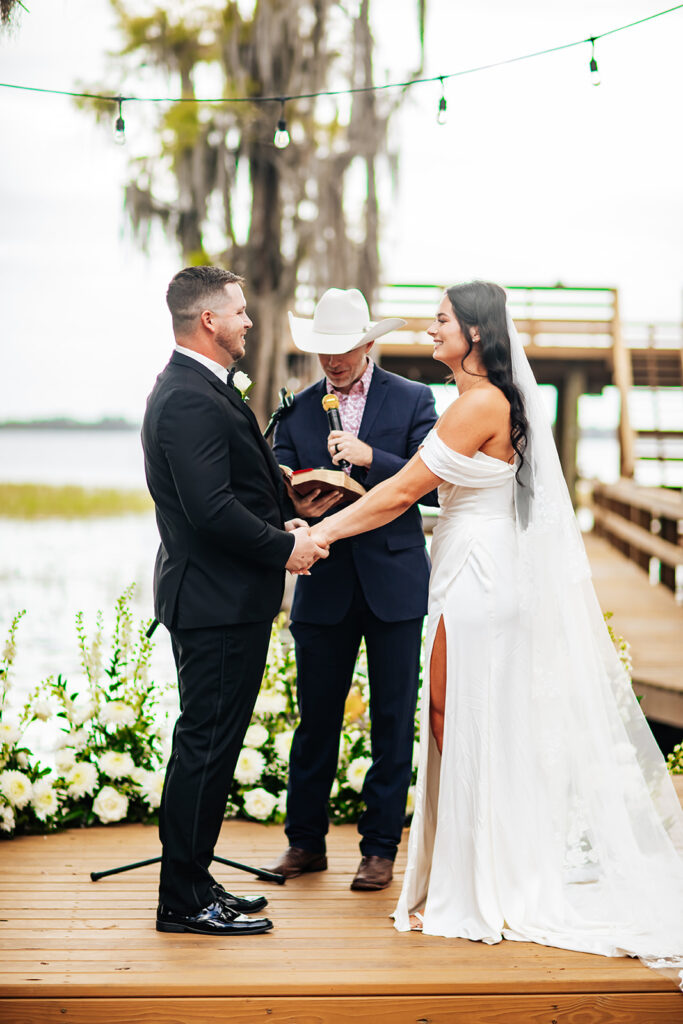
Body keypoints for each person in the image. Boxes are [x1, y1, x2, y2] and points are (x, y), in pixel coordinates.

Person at [308, 281, 683, 983]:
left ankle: (476, 887)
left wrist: (321, 533)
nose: (429, 328)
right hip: (472, 565)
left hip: (477, 578)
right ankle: (476, 873)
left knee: (459, 719)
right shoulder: (476, 401)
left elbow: (398, 492)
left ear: (475, 332)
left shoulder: (478, 403)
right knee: (462, 720)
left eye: (442, 320)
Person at [141, 266, 327, 936]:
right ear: (208, 321)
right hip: (215, 604)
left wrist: (284, 515)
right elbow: (210, 510)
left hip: (227, 599)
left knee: (212, 746)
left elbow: (228, 488)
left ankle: (193, 878)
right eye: (240, 312)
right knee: (205, 746)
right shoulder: (188, 396)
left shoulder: (202, 387)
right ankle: (182, 900)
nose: (250, 321)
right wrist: (286, 551)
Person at [262, 288, 438, 891]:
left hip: (395, 582)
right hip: (323, 582)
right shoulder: (298, 408)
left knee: (393, 719)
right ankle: (304, 843)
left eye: (343, 349)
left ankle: (380, 850)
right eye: (322, 351)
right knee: (315, 720)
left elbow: (437, 487)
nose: (332, 362)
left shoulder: (416, 399)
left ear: (368, 343)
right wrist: (293, 508)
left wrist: (373, 458)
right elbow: (279, 480)